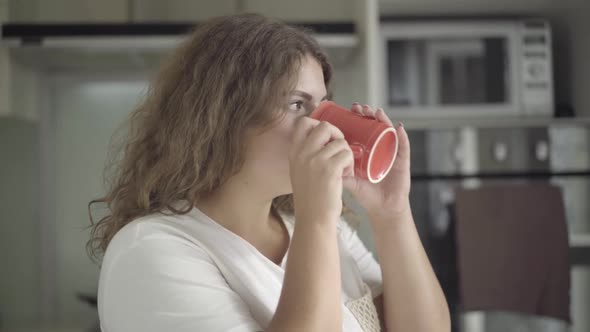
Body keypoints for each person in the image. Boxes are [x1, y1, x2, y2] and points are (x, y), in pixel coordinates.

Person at [88, 13, 450, 332]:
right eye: (297, 104)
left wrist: (392, 213)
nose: (324, 127)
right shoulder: (152, 251)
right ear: (224, 117)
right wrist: (316, 219)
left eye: (322, 105)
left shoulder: (324, 231)